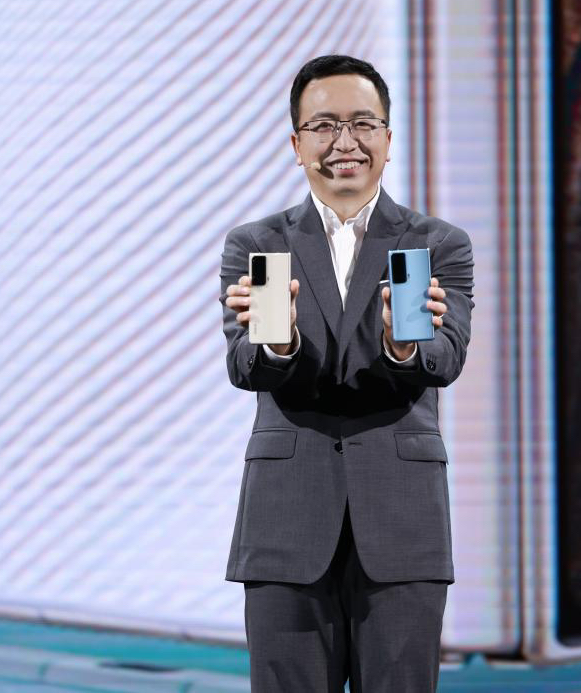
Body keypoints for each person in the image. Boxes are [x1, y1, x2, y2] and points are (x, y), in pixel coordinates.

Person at [219, 55, 475, 691]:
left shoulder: (436, 243)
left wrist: (402, 348)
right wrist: (278, 345)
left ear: (387, 138)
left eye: (362, 124)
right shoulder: (257, 244)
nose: (345, 142)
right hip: (286, 517)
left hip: (402, 517)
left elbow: (446, 360)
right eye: (324, 125)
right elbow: (245, 367)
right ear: (296, 144)